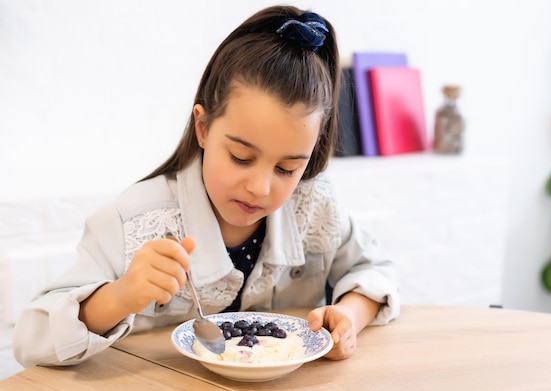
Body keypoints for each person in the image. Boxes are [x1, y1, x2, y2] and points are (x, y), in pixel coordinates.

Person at [13, 5, 400, 368]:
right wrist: (119, 297)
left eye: (286, 168)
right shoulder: (132, 223)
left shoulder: (314, 205)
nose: (260, 188)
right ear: (203, 127)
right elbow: (30, 342)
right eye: (241, 158)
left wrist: (349, 315)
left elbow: (374, 270)